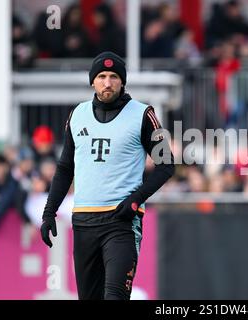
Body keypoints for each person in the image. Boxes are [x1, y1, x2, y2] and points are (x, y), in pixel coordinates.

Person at [40, 51, 175, 300]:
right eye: (101, 76)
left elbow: (167, 165)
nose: (107, 82)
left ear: (122, 82)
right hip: (83, 222)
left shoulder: (144, 114)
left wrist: (135, 200)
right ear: (93, 81)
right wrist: (49, 212)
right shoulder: (76, 114)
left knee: (115, 296)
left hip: (121, 222)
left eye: (114, 76)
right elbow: (64, 168)